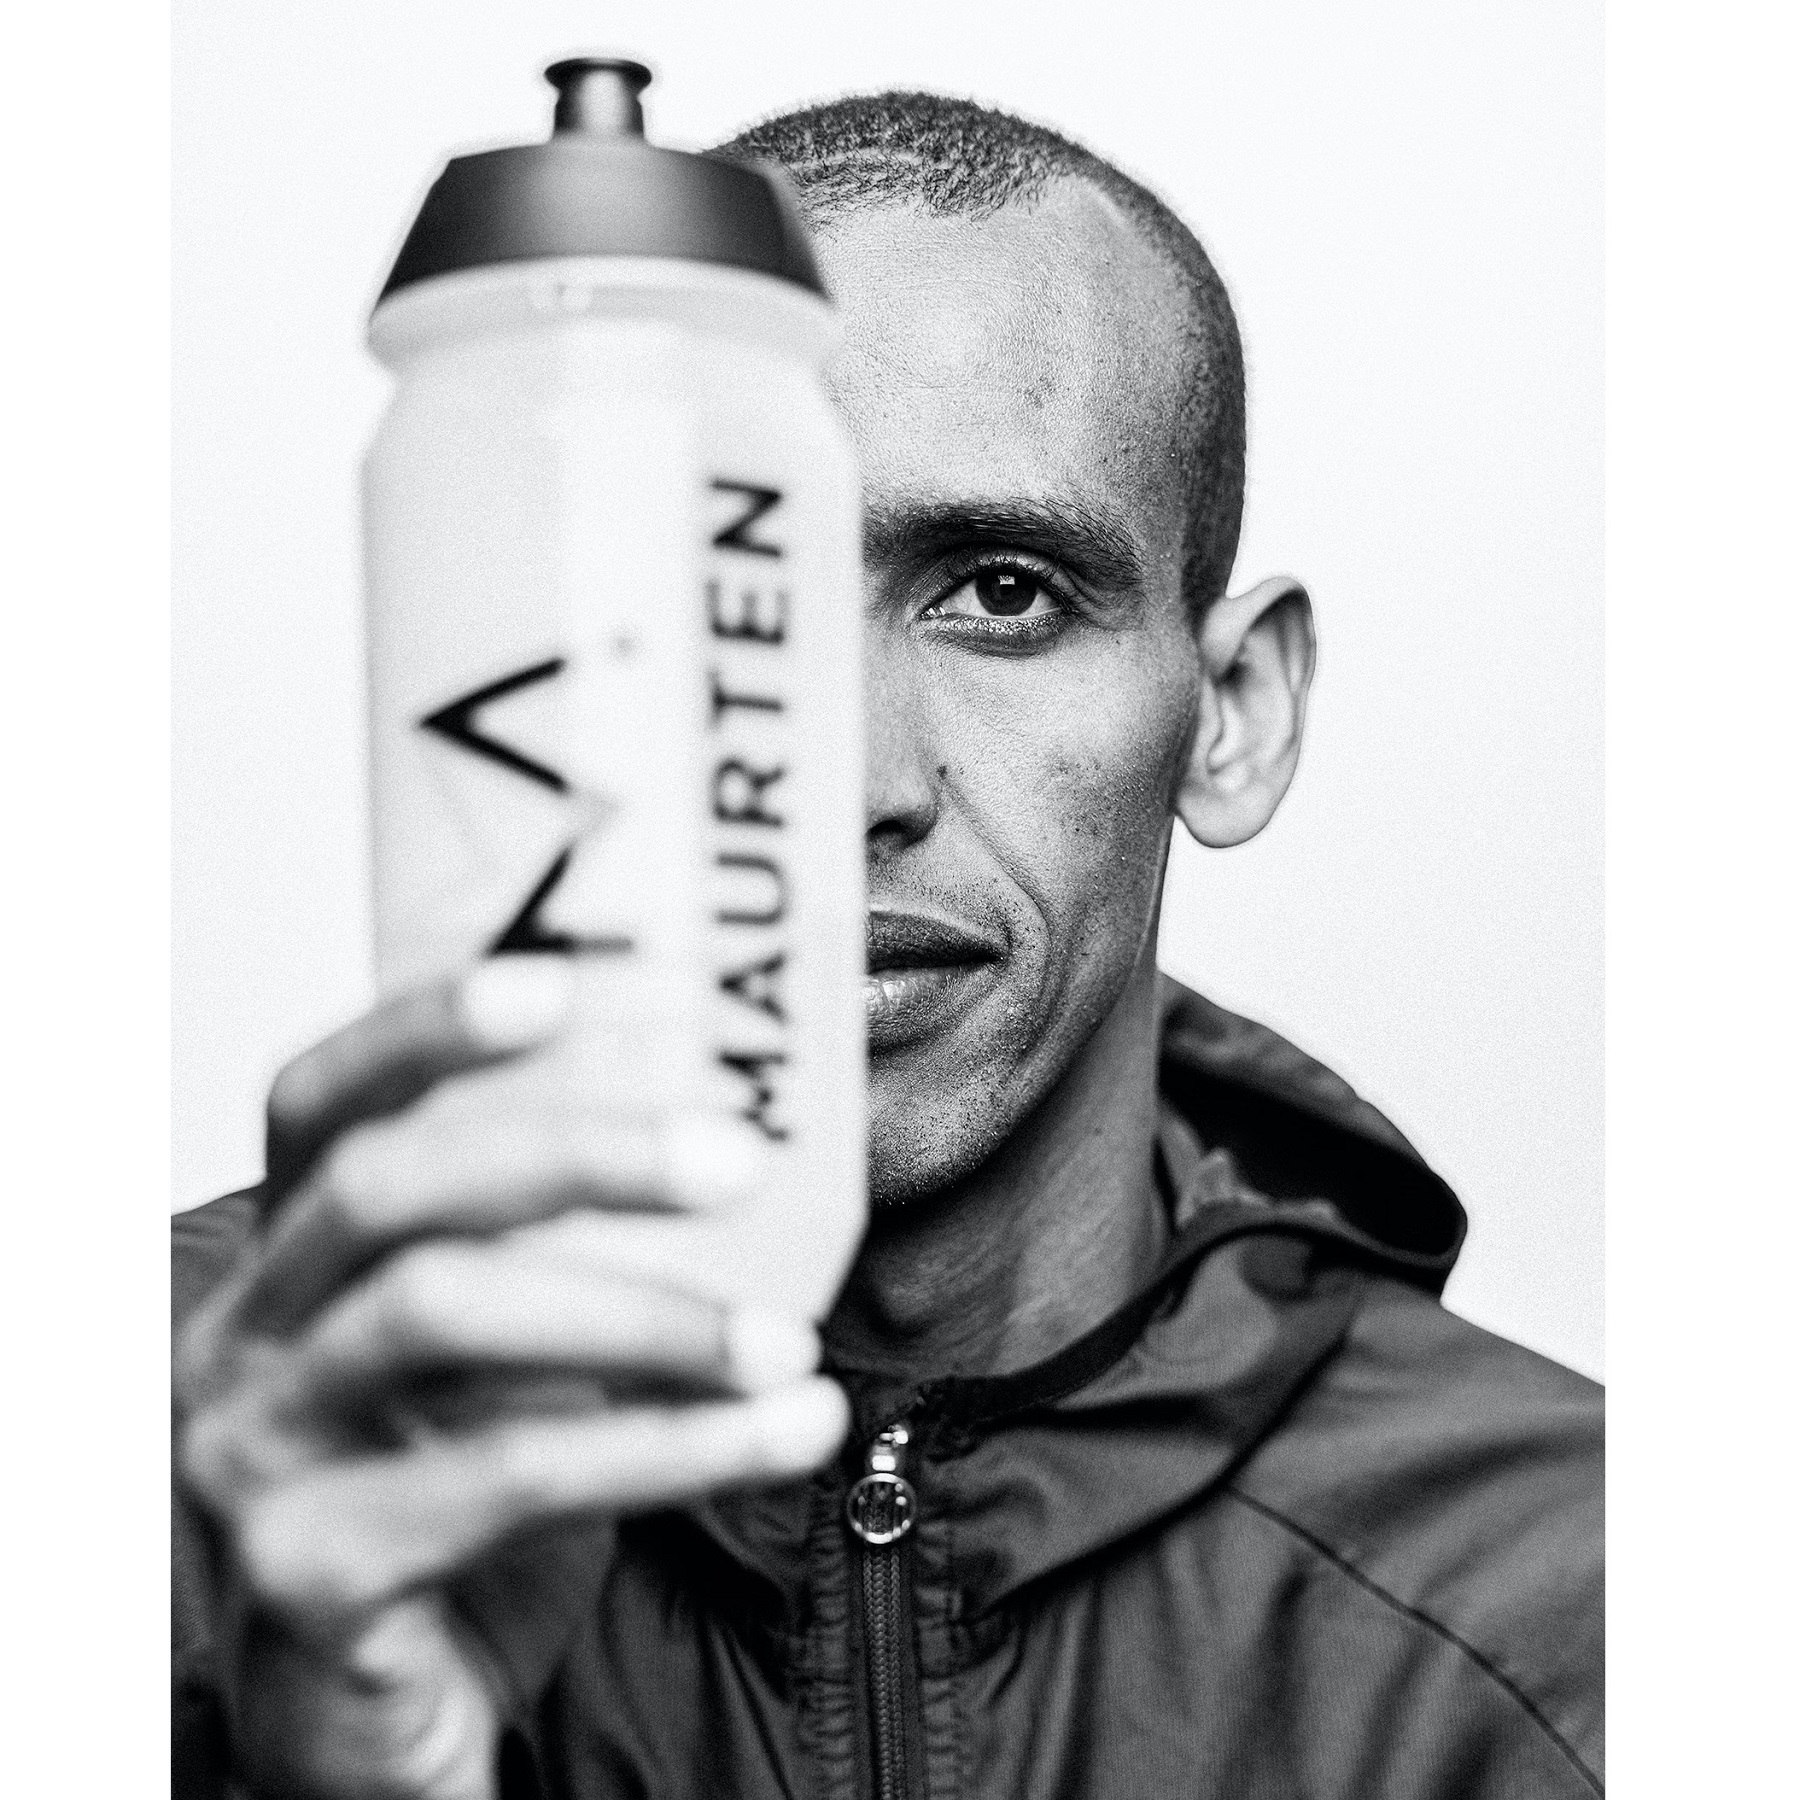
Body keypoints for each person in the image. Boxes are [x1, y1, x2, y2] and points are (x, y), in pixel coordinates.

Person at [172, 92, 1604, 1800]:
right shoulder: (173, 1455)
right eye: (725, 601)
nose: (841, 784)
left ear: (1233, 711)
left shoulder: (1593, 1600)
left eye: (1003, 592)